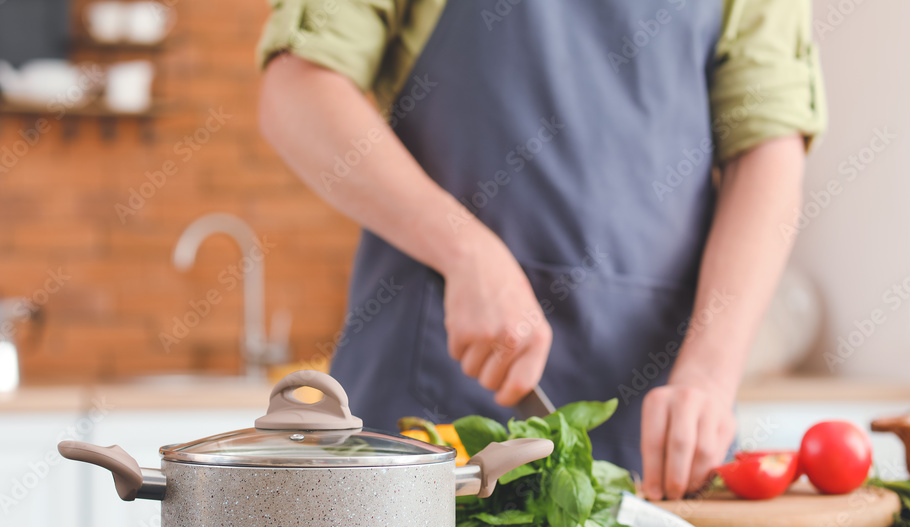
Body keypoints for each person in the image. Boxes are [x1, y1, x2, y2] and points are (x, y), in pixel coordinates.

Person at [256, 0, 826, 500]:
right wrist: (464, 250)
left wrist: (709, 375)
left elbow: (768, 151)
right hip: (427, 397)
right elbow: (298, 86)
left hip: (654, 421)